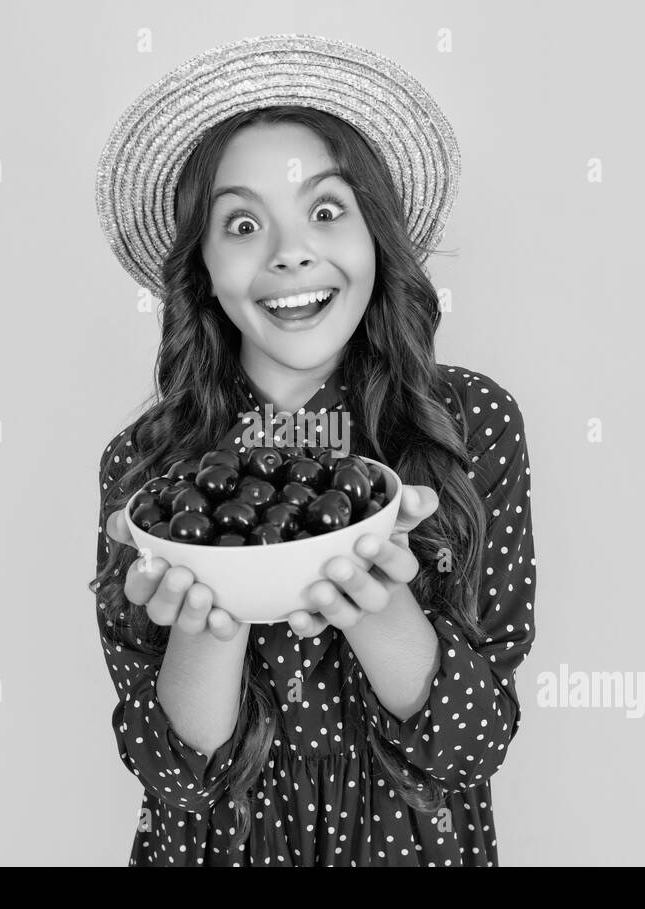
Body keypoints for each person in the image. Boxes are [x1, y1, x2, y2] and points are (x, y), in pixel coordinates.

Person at [89, 34, 537, 866]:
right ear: (203, 268)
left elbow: (472, 749)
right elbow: (175, 778)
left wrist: (375, 605)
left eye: (325, 211)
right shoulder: (146, 469)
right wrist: (208, 619)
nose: (289, 252)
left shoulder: (469, 423)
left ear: (376, 238)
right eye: (243, 223)